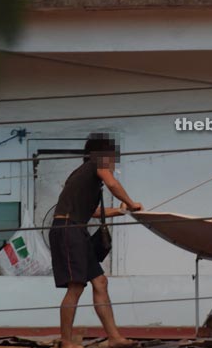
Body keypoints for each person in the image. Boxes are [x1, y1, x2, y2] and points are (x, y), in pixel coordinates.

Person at [49, 134, 143, 348]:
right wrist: (130, 202)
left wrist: (122, 211)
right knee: (76, 287)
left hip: (76, 229)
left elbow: (94, 212)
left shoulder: (84, 175)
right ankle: (66, 342)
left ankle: (115, 338)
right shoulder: (95, 164)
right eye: (112, 156)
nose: (113, 161)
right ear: (102, 154)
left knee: (100, 282)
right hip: (67, 230)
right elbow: (113, 183)